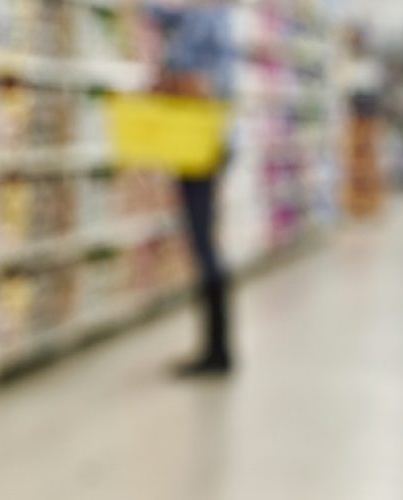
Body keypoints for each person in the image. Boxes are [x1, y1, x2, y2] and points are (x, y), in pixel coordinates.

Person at [147, 3, 233, 376]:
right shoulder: (207, 18)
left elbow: (195, 83)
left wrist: (163, 85)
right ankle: (215, 347)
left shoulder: (205, 21)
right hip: (204, 141)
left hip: (197, 142)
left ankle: (216, 351)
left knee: (204, 244)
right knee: (203, 242)